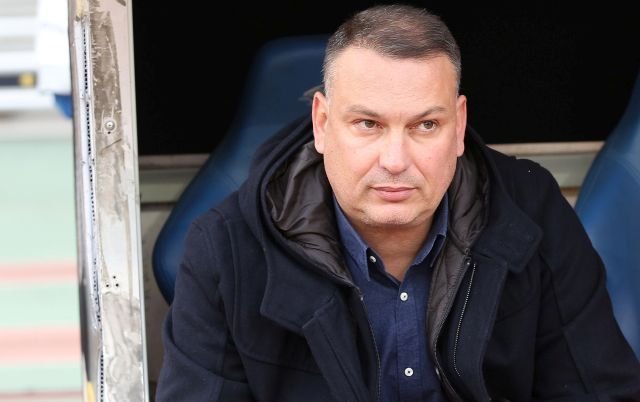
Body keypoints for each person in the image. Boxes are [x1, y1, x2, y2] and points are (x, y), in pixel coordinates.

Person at [155, 4, 640, 401]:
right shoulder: (226, 248)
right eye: (368, 124)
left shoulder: (531, 211)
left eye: (425, 125)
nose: (395, 160)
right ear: (322, 123)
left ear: (459, 124)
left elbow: (598, 391)